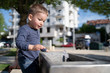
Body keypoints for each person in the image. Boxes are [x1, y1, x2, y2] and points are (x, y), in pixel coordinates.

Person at [16, 4, 48, 73]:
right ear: (30, 17)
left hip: (34, 59)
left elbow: (37, 43)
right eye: (40, 19)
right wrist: (32, 47)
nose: (42, 23)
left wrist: (43, 48)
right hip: (26, 59)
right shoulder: (24, 29)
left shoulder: (37, 31)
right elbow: (19, 43)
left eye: (43, 21)